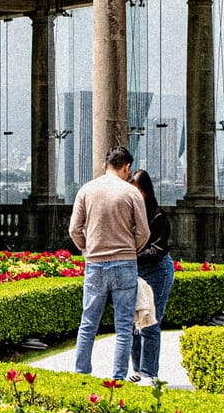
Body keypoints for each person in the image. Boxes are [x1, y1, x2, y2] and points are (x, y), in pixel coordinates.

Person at [68, 146, 150, 379]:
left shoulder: (86, 190)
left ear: (105, 166)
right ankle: (117, 377)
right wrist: (129, 250)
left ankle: (81, 374)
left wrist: (87, 248)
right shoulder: (131, 193)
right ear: (126, 168)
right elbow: (144, 232)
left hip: (95, 263)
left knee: (88, 324)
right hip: (124, 263)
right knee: (124, 327)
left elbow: (74, 229)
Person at [129, 169, 174, 383]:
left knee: (150, 321)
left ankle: (149, 373)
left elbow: (158, 249)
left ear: (146, 191)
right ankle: (137, 370)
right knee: (133, 322)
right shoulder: (129, 213)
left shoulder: (157, 216)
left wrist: (132, 256)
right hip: (137, 269)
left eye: (137, 190)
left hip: (157, 270)